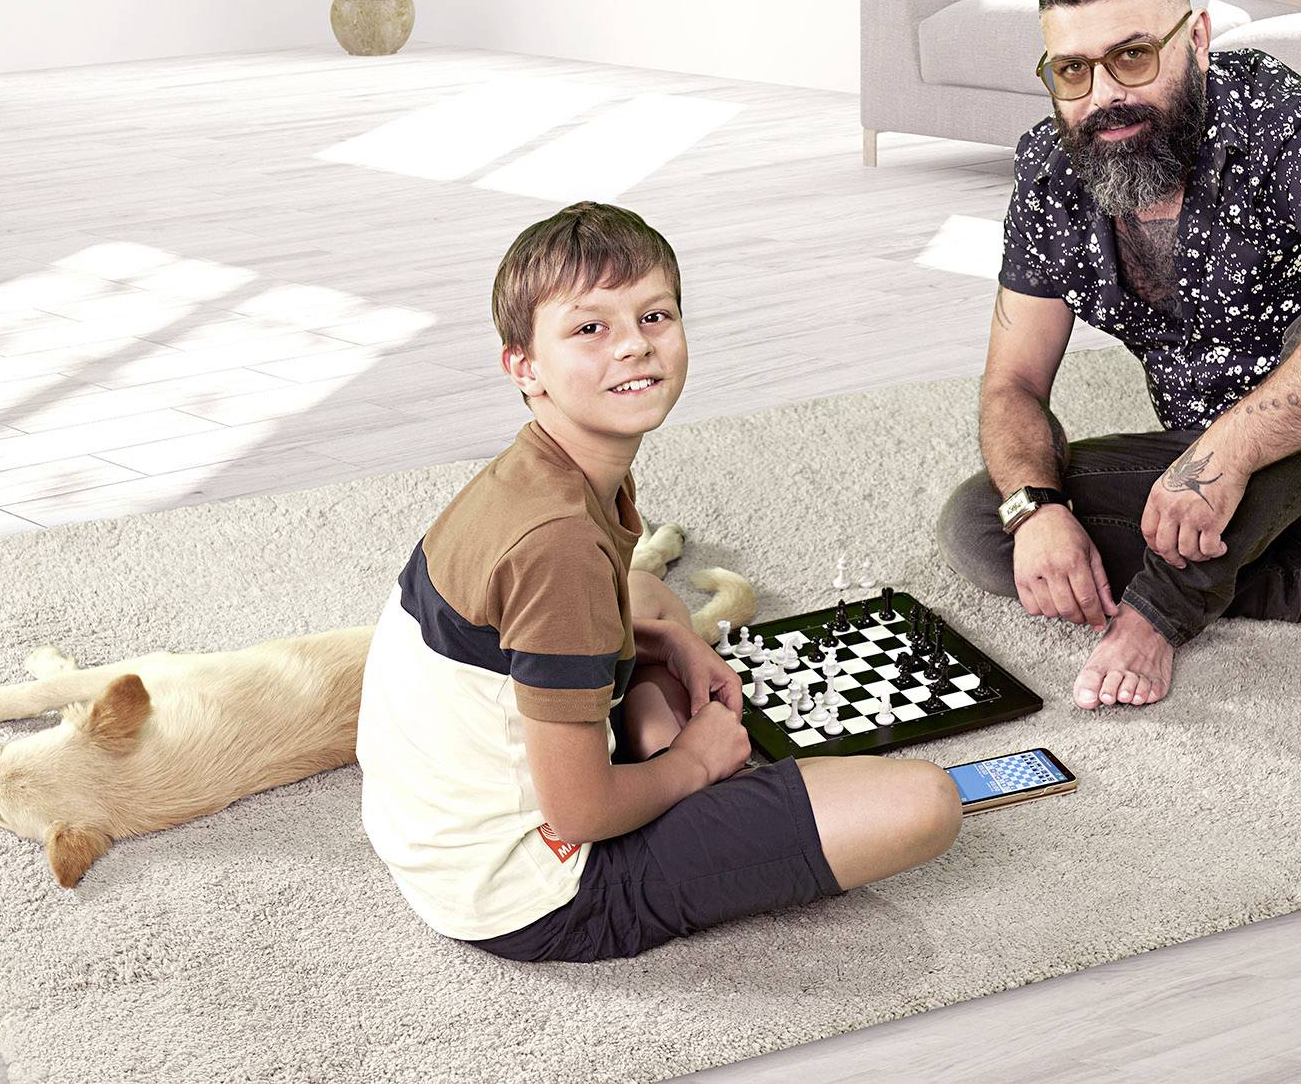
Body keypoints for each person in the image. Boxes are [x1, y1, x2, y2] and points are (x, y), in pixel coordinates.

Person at [357, 200, 960, 962]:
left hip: (436, 837)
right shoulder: (559, 542)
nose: (633, 348)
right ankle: (676, 766)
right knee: (924, 803)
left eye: (655, 316)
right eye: (589, 329)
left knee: (652, 601)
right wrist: (693, 764)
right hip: (538, 890)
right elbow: (577, 812)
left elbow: (518, 637)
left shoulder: (543, 475)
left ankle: (660, 743)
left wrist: (658, 641)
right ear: (523, 365)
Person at [936, 0, 1301, 711]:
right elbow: (1013, 384)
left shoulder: (1270, 110)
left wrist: (1229, 448)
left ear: (1196, 39)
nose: (1104, 97)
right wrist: (1038, 511)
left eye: (1133, 57)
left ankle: (1167, 608)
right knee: (985, 523)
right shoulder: (1050, 174)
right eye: (1072, 71)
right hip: (1213, 485)